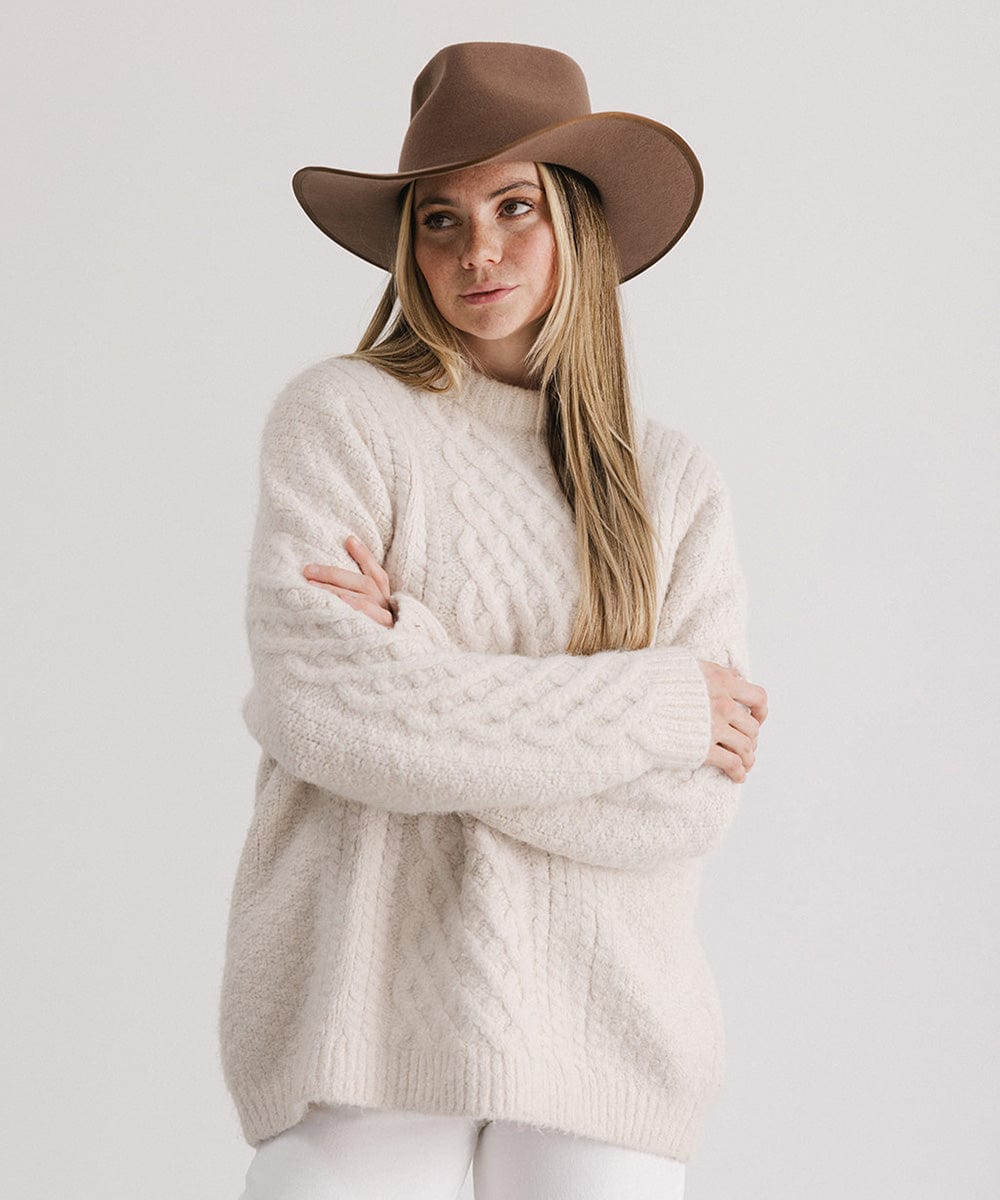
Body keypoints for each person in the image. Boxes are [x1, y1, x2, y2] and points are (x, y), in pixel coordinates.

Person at [219, 40, 768, 1200]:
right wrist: (656, 703)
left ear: (577, 221)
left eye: (514, 208)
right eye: (440, 220)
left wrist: (412, 662)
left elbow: (683, 806)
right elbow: (330, 713)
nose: (478, 252)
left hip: (608, 1034)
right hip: (361, 1023)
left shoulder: (670, 485)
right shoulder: (345, 420)